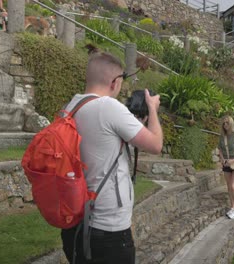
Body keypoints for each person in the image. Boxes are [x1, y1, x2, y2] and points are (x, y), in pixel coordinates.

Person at [60, 51, 163, 264]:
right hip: (107, 230)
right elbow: (155, 145)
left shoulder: (71, 107)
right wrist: (152, 108)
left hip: (77, 224)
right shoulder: (108, 107)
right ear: (115, 82)